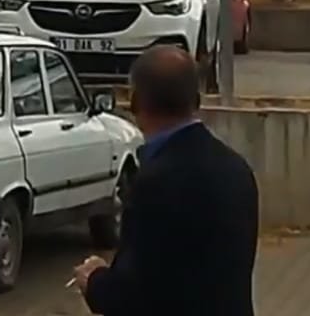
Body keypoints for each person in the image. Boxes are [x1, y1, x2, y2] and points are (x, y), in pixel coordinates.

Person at [73, 45, 259, 316]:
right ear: (196, 100)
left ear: (136, 102)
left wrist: (95, 280)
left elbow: (137, 294)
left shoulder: (155, 184)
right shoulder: (236, 169)